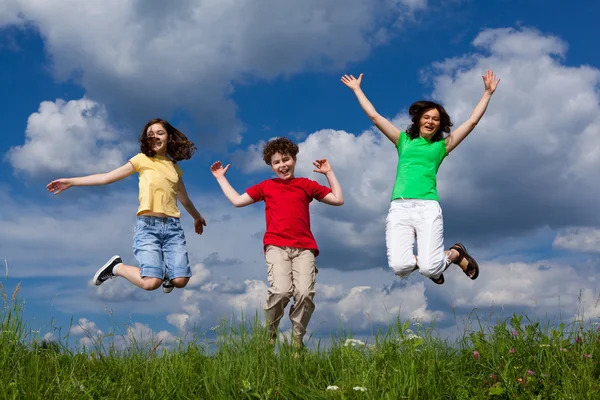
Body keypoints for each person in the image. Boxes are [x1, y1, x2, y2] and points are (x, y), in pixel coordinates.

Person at [341, 70, 500, 284]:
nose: (431, 121)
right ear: (418, 121)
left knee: (429, 268)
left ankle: (455, 254)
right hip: (399, 208)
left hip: (427, 207)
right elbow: (375, 117)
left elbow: (471, 122)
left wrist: (487, 93)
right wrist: (357, 90)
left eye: (435, 119)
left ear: (439, 124)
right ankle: (434, 261)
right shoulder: (403, 141)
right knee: (400, 267)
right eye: (426, 117)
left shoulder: (442, 146)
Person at [210, 137, 343, 348]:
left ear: (294, 159)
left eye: (286, 159)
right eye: (277, 162)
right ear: (271, 166)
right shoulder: (266, 186)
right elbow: (237, 201)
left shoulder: (306, 185)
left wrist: (329, 173)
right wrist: (220, 178)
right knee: (281, 291)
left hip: (304, 248)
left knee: (305, 293)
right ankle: (269, 334)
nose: (283, 165)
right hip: (276, 246)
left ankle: (296, 341)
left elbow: (338, 199)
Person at [47, 118, 206, 293]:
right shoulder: (142, 160)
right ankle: (117, 267)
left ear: (169, 137)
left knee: (181, 280)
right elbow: (107, 177)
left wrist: (197, 217)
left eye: (160, 133)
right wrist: (71, 181)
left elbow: (184, 200)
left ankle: (169, 274)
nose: (155, 137)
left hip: (173, 229)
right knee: (151, 283)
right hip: (148, 227)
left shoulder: (174, 168)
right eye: (150, 135)